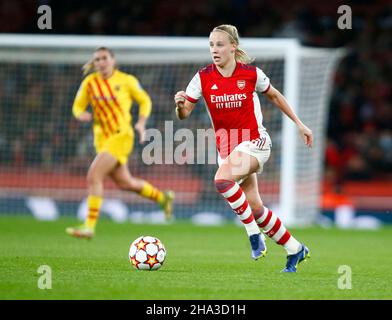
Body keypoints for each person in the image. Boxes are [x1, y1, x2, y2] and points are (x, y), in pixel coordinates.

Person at [174, 25, 313, 272]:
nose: (214, 50)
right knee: (256, 208)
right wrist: (179, 104)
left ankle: (253, 236)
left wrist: (300, 124)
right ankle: (294, 248)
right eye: (211, 45)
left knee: (222, 180)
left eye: (219, 44)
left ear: (233, 47)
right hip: (227, 149)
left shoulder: (250, 74)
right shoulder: (202, 77)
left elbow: (275, 96)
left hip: (256, 142)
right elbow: (184, 114)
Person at [66, 47, 174, 239]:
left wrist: (141, 123)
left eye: (104, 58)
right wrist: (80, 114)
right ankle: (162, 198)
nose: (101, 62)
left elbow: (145, 101)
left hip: (122, 135)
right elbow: (77, 106)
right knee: (126, 183)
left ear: (113, 60)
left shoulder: (126, 80)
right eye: (97, 59)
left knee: (94, 175)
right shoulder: (90, 83)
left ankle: (89, 226)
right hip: (102, 140)